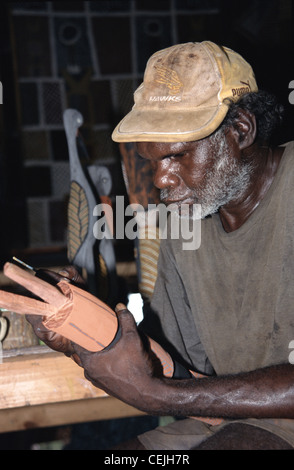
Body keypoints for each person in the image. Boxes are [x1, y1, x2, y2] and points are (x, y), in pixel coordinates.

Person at [27, 41, 294, 450]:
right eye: (151, 160)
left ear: (240, 130)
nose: (160, 180)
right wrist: (86, 329)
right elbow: (181, 375)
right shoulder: (181, 223)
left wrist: (158, 397)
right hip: (223, 423)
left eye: (176, 155)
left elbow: (167, 391)